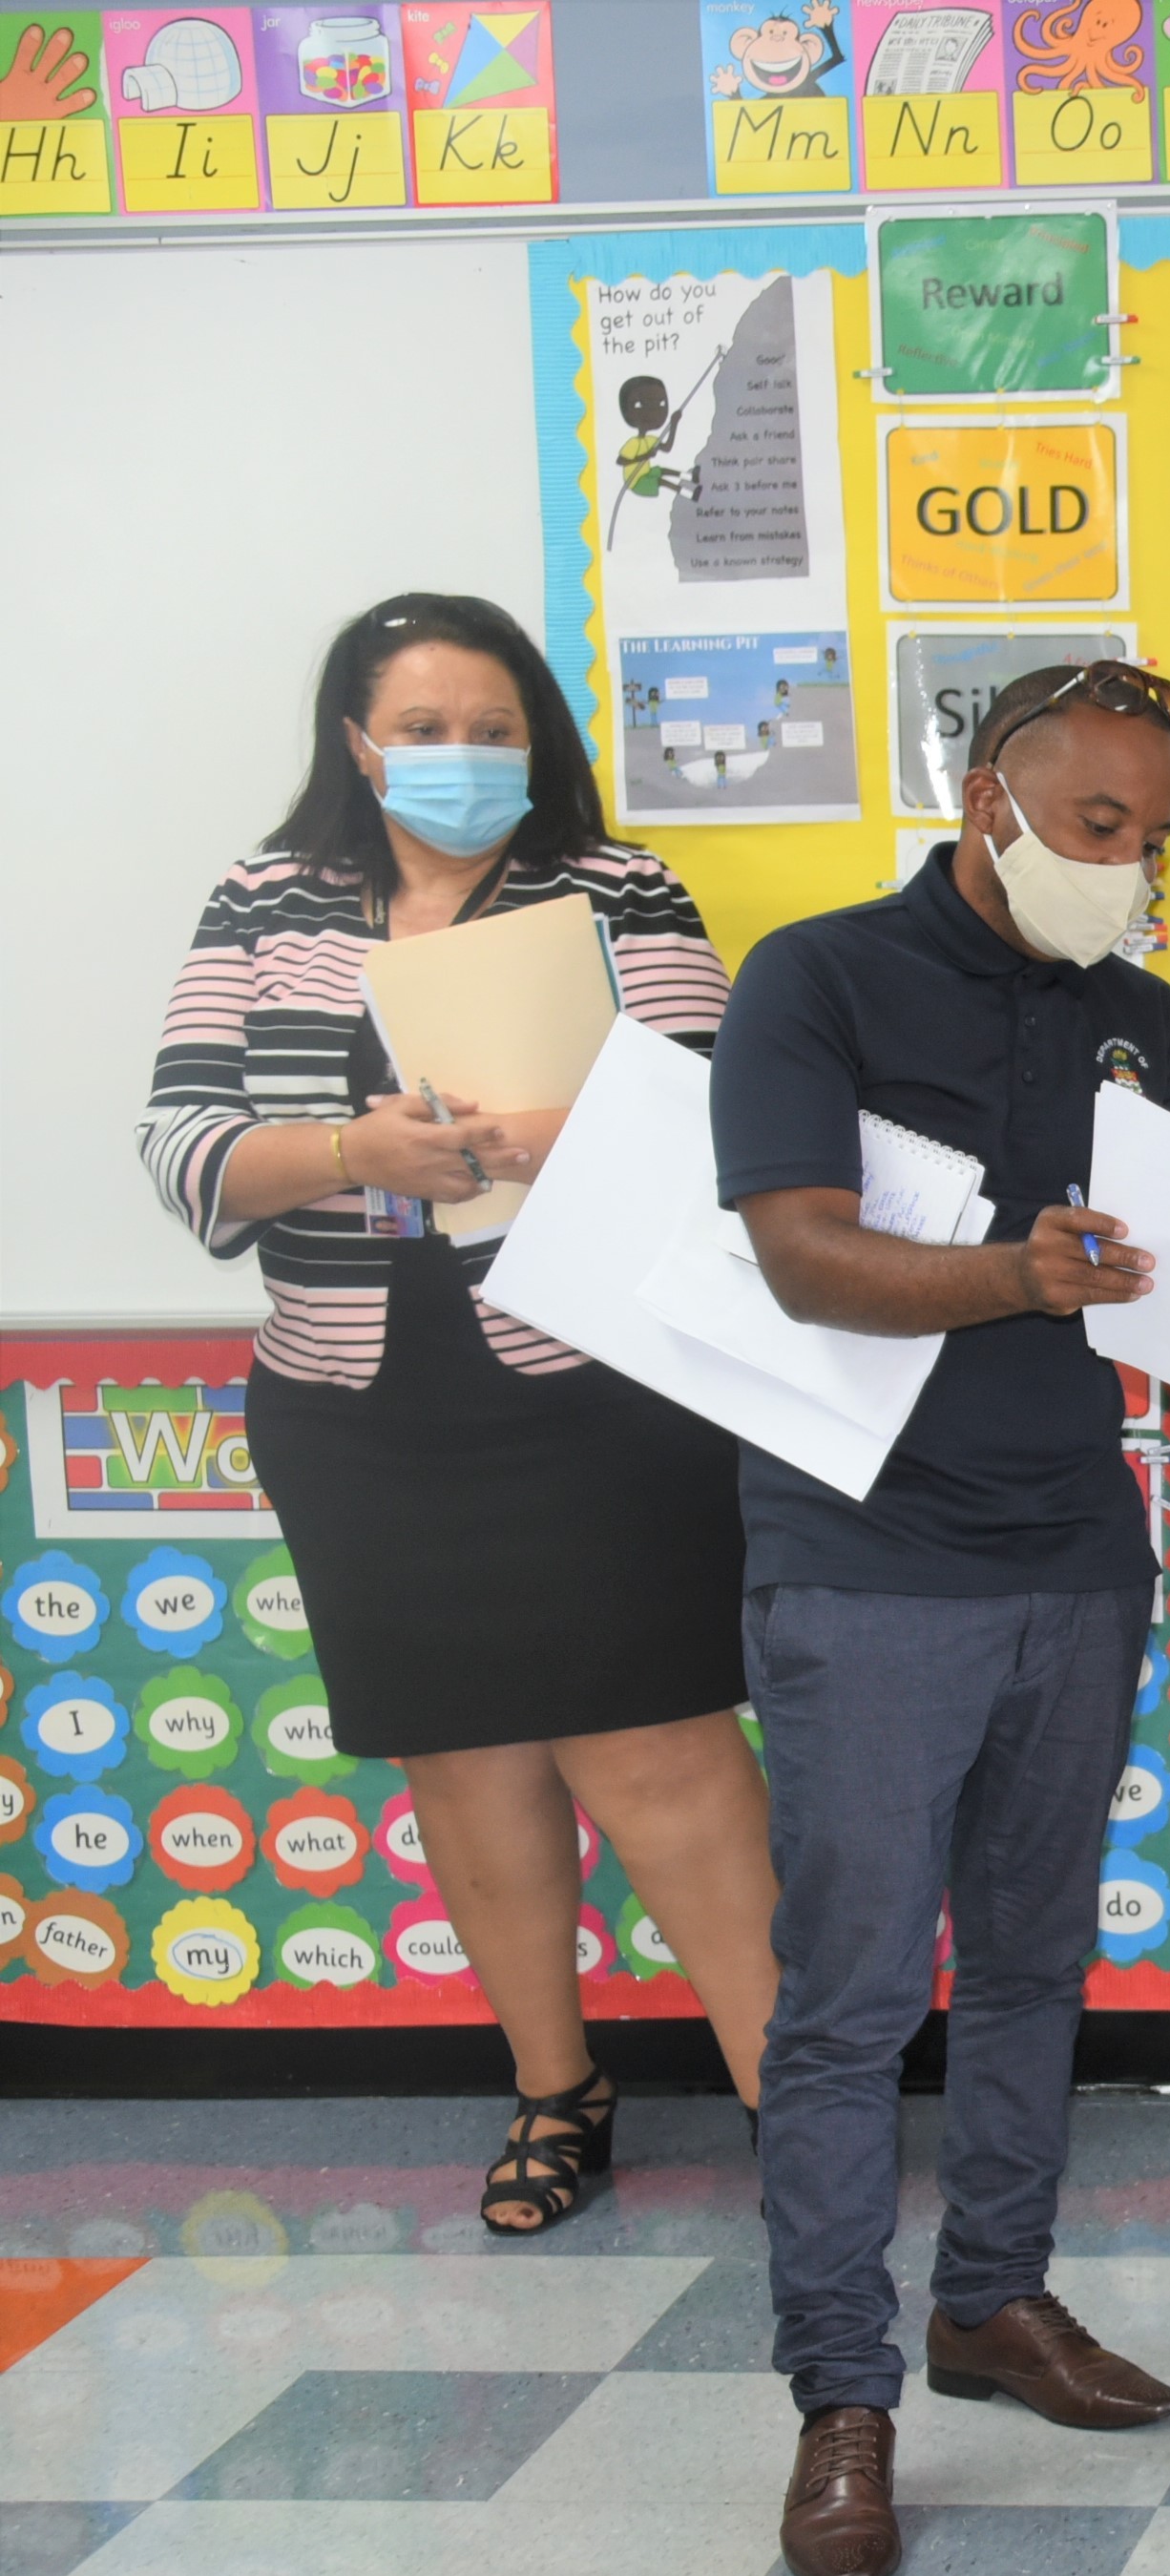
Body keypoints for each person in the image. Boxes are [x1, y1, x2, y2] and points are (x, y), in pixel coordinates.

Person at [137, 592, 784, 2233]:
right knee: (467, 1759)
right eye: (423, 730)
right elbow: (184, 1142)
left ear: (538, 741)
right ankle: (554, 2090)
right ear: (356, 741)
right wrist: (354, 1154)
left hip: (593, 1392)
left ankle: (805, 2096)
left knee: (664, 1757)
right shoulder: (261, 900)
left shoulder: (615, 882)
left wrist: (549, 1134)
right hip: (360, 1408)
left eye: (493, 729)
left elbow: (723, 1107)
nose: (460, 758)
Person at [712, 660, 1170, 2576]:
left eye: (1154, 837)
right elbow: (800, 1253)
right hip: (861, 1561)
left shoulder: (1139, 1017)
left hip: (1076, 1548)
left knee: (1029, 1963)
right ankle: (844, 2399)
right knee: (845, 2005)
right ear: (989, 800)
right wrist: (1017, 1268)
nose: (1130, 868)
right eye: (1099, 830)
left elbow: (1154, 1270)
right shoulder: (813, 980)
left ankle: (994, 2304)